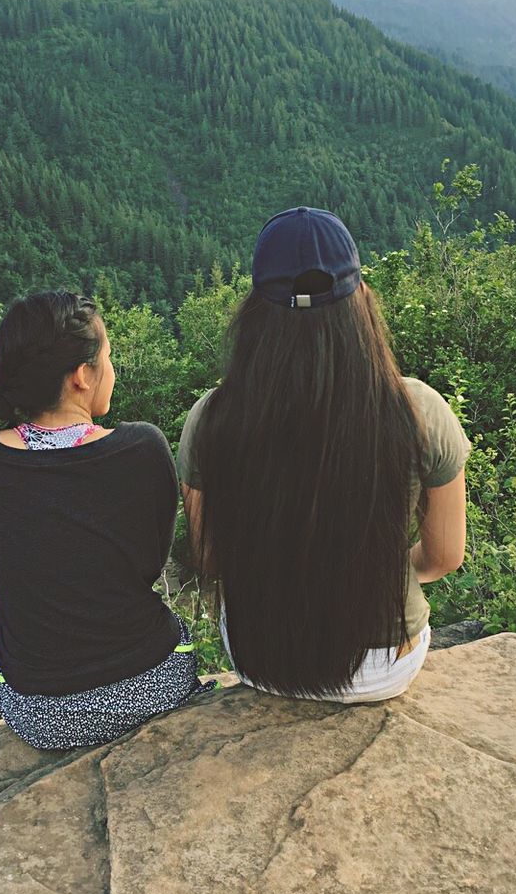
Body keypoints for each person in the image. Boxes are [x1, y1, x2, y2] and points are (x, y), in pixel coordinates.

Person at [178, 207, 471, 702]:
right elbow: (444, 557)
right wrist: (376, 569)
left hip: (261, 658)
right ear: (361, 298)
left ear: (255, 309)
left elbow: (210, 557)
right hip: (382, 668)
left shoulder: (213, 416)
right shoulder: (416, 409)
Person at [0, 290, 213, 750]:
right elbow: (151, 564)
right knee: (176, 634)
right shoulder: (142, 448)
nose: (112, 371)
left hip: (37, 711)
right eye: (108, 358)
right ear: (81, 376)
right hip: (148, 686)